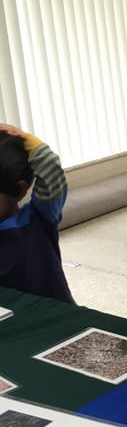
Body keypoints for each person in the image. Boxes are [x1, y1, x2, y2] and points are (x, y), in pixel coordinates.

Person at [0, 125, 74, 303]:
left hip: (56, 314)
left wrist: (22, 137)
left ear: (20, 189)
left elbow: (50, 168)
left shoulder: (38, 218)